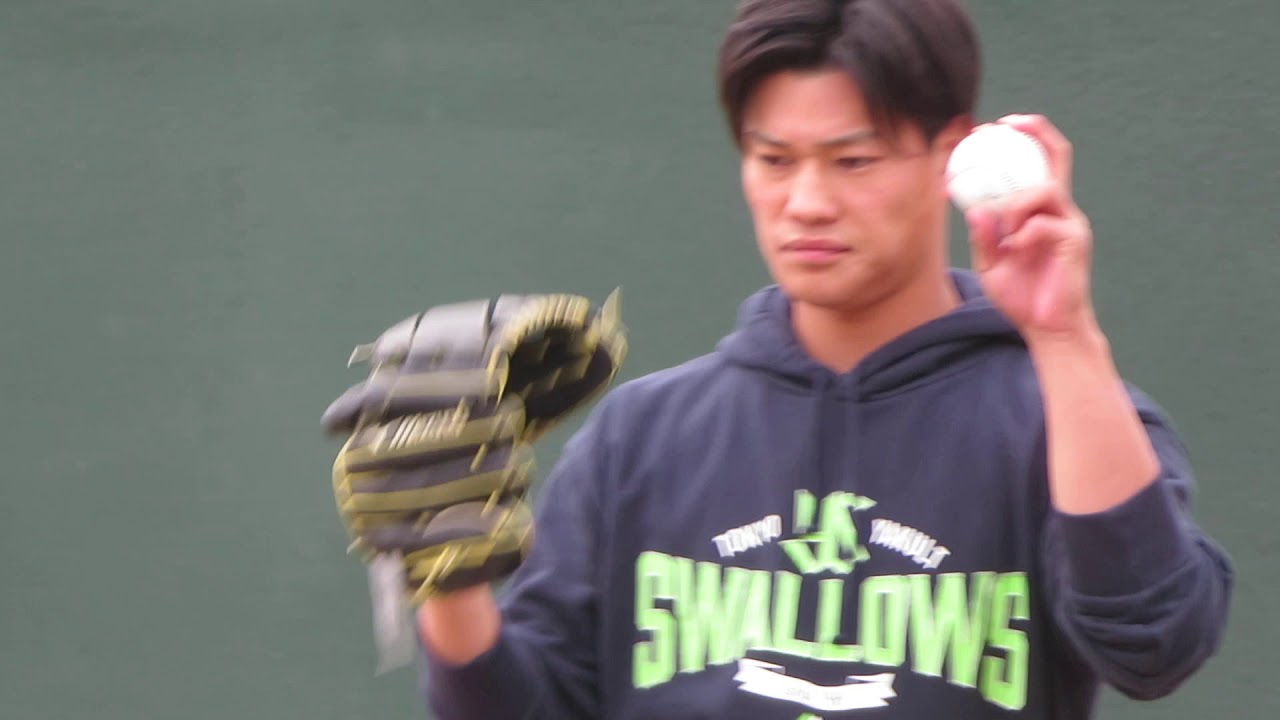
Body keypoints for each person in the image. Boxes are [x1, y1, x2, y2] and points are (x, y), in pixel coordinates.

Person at [413, 0, 1234, 717]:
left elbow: (1154, 646)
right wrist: (447, 584)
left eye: (853, 161)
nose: (806, 202)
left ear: (950, 155)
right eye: (774, 160)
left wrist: (1062, 335)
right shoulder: (641, 436)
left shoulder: (1063, 420)